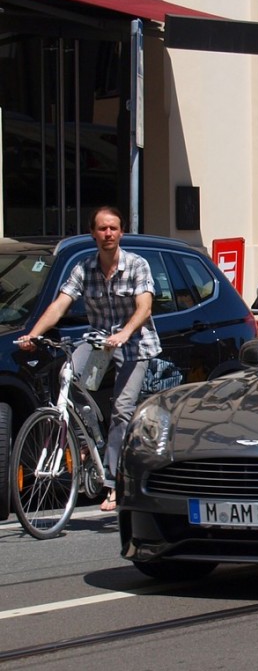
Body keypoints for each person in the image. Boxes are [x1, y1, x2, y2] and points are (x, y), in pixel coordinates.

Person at [18, 206, 162, 512]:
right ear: (93, 233)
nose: (107, 234)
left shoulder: (137, 264)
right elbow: (60, 305)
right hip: (99, 341)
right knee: (66, 378)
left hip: (135, 343)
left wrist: (124, 332)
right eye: (101, 229)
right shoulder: (84, 267)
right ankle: (86, 440)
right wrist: (33, 334)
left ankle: (112, 484)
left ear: (121, 232)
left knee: (122, 410)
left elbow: (144, 307)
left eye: (112, 228)